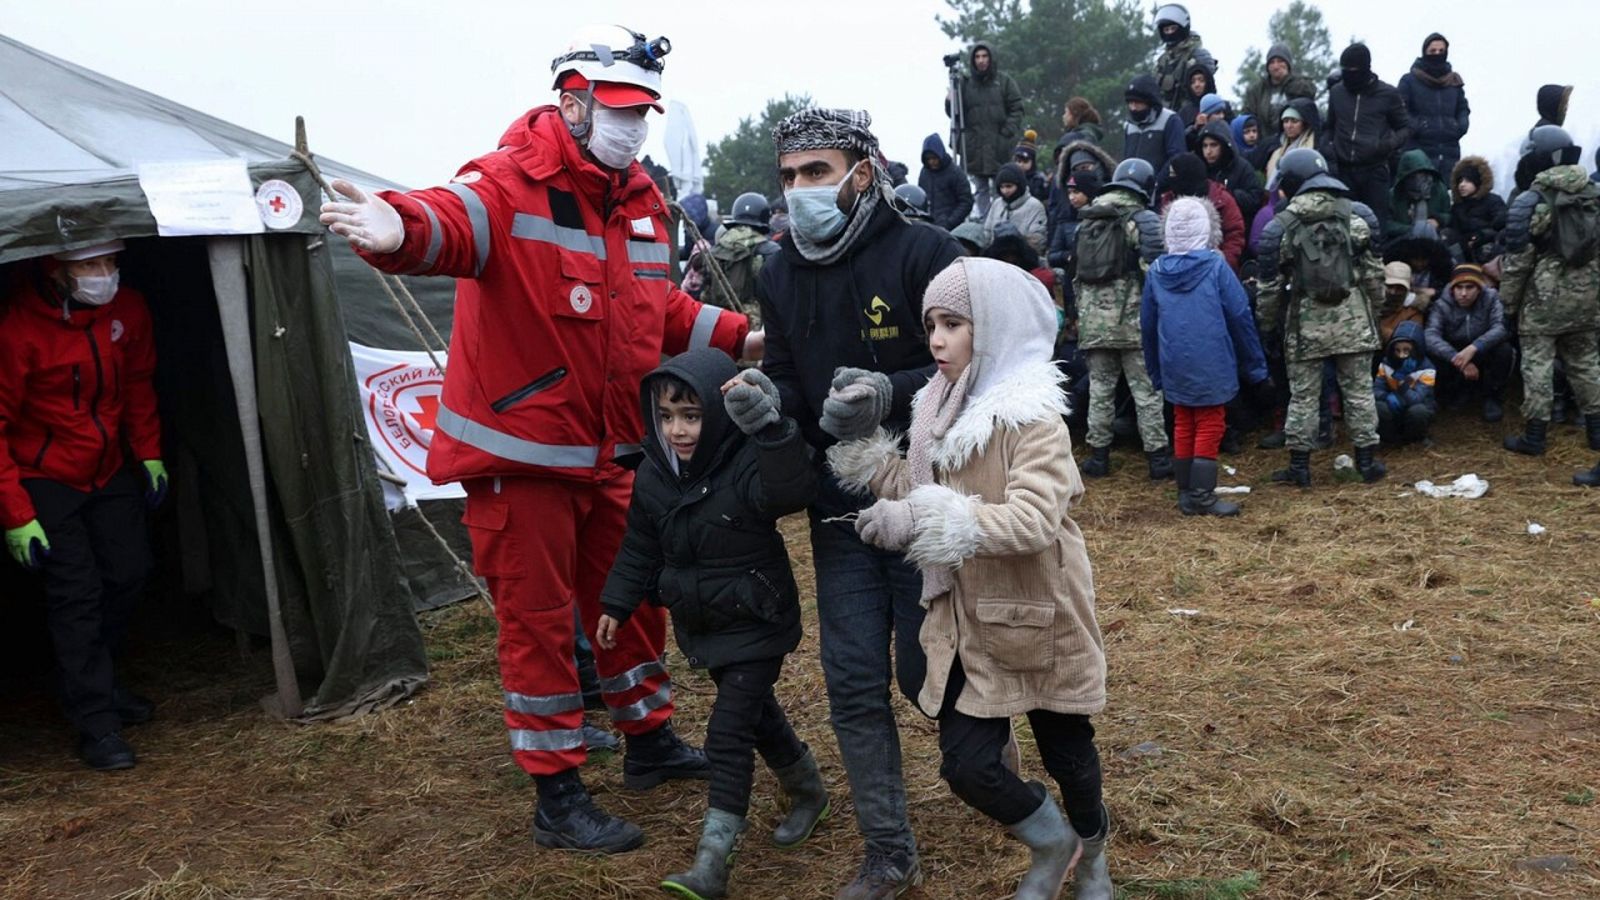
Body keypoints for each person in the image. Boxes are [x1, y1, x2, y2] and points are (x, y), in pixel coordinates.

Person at [319, 25, 757, 852]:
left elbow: (656, 312)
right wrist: (396, 228)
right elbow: (448, 221)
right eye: (621, 110)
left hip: (612, 452)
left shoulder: (640, 202)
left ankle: (648, 740)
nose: (635, 127)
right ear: (573, 101)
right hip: (520, 461)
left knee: (630, 604)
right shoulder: (508, 181)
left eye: (643, 113)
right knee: (539, 621)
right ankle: (557, 793)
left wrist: (739, 336)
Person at [826, 256, 1112, 900]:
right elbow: (922, 486)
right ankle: (1052, 843)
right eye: (932, 323)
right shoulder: (936, 407)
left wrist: (924, 518)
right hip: (966, 620)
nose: (936, 339)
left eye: (954, 323)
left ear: (995, 325)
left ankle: (1093, 850)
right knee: (969, 767)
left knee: (1069, 756)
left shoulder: (1032, 419)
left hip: (1042, 617)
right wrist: (869, 460)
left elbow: (1035, 520)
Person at [757, 107, 964, 898]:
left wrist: (890, 390)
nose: (801, 188)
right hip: (835, 503)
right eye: (789, 175)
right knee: (848, 677)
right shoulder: (778, 271)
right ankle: (888, 850)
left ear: (862, 172)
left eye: (817, 171)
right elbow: (783, 372)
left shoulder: (924, 252)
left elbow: (969, 368)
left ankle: (989, 767)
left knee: (928, 670)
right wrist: (763, 405)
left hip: (922, 493)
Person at [594, 351, 825, 898]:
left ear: (717, 414)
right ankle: (809, 788)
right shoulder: (653, 473)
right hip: (701, 622)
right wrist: (616, 602)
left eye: (692, 415)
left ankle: (713, 860)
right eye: (667, 414)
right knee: (754, 715)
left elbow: (791, 489)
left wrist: (772, 431)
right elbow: (639, 546)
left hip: (757, 617)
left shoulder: (743, 459)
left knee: (726, 732)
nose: (678, 428)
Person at [0, 240, 165, 772]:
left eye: (111, 263)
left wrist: (150, 454)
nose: (105, 275)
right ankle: (96, 722)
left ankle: (100, 680)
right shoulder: (16, 330)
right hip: (43, 474)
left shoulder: (129, 310)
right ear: (56, 269)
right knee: (77, 595)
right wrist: (17, 514)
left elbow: (137, 386)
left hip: (107, 466)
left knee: (129, 574)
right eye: (90, 266)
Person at [1255, 148, 1389, 485]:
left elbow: (1269, 288)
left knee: (1302, 397)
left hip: (1306, 325)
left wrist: (1267, 325)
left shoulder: (1280, 227)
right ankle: (1367, 462)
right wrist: (1375, 309)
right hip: (1354, 319)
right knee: (1359, 392)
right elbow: (1375, 275)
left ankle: (1300, 467)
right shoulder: (1358, 217)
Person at [1142, 198, 1270, 516]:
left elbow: (1147, 324)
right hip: (1211, 360)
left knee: (1183, 420)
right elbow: (1240, 314)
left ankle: (1186, 491)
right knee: (1211, 422)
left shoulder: (1156, 271)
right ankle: (1202, 495)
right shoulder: (1215, 266)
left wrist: (1155, 370)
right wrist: (1255, 367)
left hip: (1174, 361)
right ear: (1208, 229)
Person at [1499, 126, 1600, 458]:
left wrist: (1509, 308)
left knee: (1537, 366)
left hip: (1544, 298)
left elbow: (1517, 264)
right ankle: (1597, 433)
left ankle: (1535, 436)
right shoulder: (1593, 193)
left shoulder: (1532, 200)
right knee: (1586, 363)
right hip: (1587, 294)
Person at [1072, 158, 1171, 480]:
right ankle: (1157, 459)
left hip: (1094, 323)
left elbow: (1075, 276)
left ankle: (1098, 458)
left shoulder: (1086, 221)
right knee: (1146, 392)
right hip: (1132, 322)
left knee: (1101, 389)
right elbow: (1154, 272)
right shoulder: (1144, 219)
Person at [1324, 43, 1412, 234]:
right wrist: (1329, 147)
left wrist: (1387, 145)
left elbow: (1405, 127)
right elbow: (1329, 126)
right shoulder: (1337, 92)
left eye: (1353, 70)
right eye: (1345, 70)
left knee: (1376, 228)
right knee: (1343, 227)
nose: (1349, 74)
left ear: (1365, 69)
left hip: (1375, 171)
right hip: (1343, 170)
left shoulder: (1388, 94)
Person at [1424, 263, 1511, 422]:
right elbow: (1430, 334)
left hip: (1483, 348)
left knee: (1504, 351)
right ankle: (1450, 392)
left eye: (1470, 287)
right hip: (1455, 351)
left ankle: (1492, 396)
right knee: (1432, 352)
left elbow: (1501, 327)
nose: (1464, 293)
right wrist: (1457, 358)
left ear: (1479, 288)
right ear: (1452, 289)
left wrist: (1474, 347)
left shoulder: (1492, 299)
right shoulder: (1442, 304)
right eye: (1459, 288)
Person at [948, 42, 1024, 218]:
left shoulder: (1004, 82)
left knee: (1002, 187)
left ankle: (1002, 221)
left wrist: (1007, 132)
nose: (981, 60)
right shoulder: (965, 84)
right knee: (980, 189)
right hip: (975, 148)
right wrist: (949, 100)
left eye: (984, 56)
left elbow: (1017, 108)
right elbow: (954, 114)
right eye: (977, 57)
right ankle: (984, 222)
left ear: (991, 58)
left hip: (999, 146)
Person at [1159, 152, 1246, 273]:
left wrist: (1224, 262)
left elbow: (1235, 234)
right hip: (1175, 272)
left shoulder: (1221, 200)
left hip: (1215, 272)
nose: (1170, 179)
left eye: (1174, 174)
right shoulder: (1168, 200)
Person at [1397, 33, 1471, 174]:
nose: (1437, 54)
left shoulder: (1454, 81)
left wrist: (1460, 126)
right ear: (1425, 52)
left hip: (1450, 154)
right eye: (1433, 51)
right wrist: (1419, 126)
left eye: (1441, 51)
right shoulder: (1409, 81)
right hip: (1417, 154)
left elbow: (1463, 108)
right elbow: (1400, 110)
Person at [696, 192, 780, 315]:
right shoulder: (771, 251)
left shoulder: (716, 249)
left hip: (718, 320)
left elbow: (705, 290)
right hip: (755, 324)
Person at [1373, 321, 1437, 446]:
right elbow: (1376, 389)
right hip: (1393, 407)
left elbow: (1418, 398)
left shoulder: (1427, 369)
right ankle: (1389, 439)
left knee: (1419, 411)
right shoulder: (1386, 364)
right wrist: (1386, 397)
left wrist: (1402, 383)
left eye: (1406, 350)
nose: (1401, 355)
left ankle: (1416, 438)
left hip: (1414, 408)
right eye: (1397, 350)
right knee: (1379, 407)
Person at [1241, 43, 1317, 143]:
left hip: (1297, 140)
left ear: (1288, 64)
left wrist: (1288, 80)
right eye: (1272, 62)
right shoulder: (1257, 89)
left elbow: (1310, 93)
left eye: (1280, 61)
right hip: (1266, 141)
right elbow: (1248, 114)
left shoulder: (1300, 83)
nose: (1276, 66)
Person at [1196, 119, 1264, 225]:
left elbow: (1255, 199)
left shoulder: (1242, 167)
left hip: (1235, 226)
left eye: (1213, 145)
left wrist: (1228, 195)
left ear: (1224, 145)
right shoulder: (1199, 168)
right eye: (1205, 146)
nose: (1208, 151)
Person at [1152, 3, 1217, 112]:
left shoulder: (1198, 55)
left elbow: (1207, 90)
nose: (1169, 33)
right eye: (1166, 30)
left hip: (1195, 114)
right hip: (1167, 116)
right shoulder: (1162, 61)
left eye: (1173, 28)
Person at [1120, 74, 1186, 176]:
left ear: (1150, 101)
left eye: (1137, 102)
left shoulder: (1170, 120)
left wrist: (1158, 183)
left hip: (1161, 187)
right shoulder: (1129, 126)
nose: (1133, 108)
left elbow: (1176, 158)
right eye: (1130, 103)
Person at [1445, 157, 1506, 264]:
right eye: (1460, 181)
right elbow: (1453, 231)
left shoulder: (1493, 201)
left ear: (1477, 182)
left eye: (1467, 181)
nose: (1462, 185)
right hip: (1463, 252)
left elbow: (1501, 226)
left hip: (1486, 247)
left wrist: (1481, 236)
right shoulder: (1458, 206)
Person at [1384, 150, 1453, 244]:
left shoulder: (1439, 189)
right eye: (1415, 176)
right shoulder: (1394, 195)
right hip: (1403, 241)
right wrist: (1414, 229)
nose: (1421, 180)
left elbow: (1451, 215)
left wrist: (1438, 220)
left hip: (1436, 239)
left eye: (1425, 174)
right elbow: (1386, 224)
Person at [983, 163, 1048, 254]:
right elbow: (987, 234)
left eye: (1009, 186)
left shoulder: (1035, 206)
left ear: (1019, 185)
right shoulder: (997, 204)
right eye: (1002, 187)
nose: (1005, 191)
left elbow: (1038, 241)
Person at [918, 133, 975, 231]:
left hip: (952, 228)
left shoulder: (955, 173)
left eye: (934, 158)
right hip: (928, 226)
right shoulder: (924, 173)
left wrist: (949, 223)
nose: (931, 162)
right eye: (928, 159)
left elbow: (966, 202)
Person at [1265, 98, 1318, 186]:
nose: (1289, 126)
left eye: (1294, 121)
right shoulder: (1276, 149)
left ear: (1305, 123)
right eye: (1286, 121)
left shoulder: (1317, 148)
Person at [1377, 261, 1429, 344]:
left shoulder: (1413, 310)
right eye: (1389, 286)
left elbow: (1408, 341)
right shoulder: (1367, 304)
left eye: (1399, 288)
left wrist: (1377, 328)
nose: (1393, 292)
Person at [1174, 63, 1219, 130]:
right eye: (1193, 82)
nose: (1197, 85)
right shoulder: (1185, 112)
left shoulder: (1221, 106)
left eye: (1201, 80)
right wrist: (1194, 128)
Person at [1013, 130, 1051, 202]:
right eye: (1018, 161)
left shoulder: (1039, 179)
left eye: (1025, 161)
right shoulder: (1012, 178)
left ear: (1032, 162)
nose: (1021, 164)